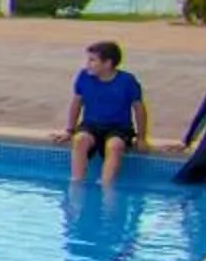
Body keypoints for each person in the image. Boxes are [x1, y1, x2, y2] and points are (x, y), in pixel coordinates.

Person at [51, 39, 147, 182]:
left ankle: (106, 186)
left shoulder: (127, 81)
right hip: (91, 125)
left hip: (119, 128)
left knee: (114, 146)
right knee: (80, 140)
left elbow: (139, 109)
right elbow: (76, 103)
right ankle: (77, 182)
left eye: (92, 60)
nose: (87, 64)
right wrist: (69, 130)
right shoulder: (84, 77)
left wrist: (141, 138)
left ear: (107, 63)